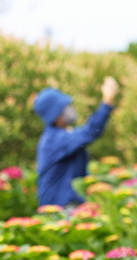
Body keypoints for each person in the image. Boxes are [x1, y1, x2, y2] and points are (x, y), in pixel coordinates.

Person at [33, 77, 119, 209]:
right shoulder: (54, 140)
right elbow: (91, 131)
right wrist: (107, 101)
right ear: (54, 114)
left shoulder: (63, 135)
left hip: (68, 205)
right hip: (60, 209)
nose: (70, 109)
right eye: (65, 107)